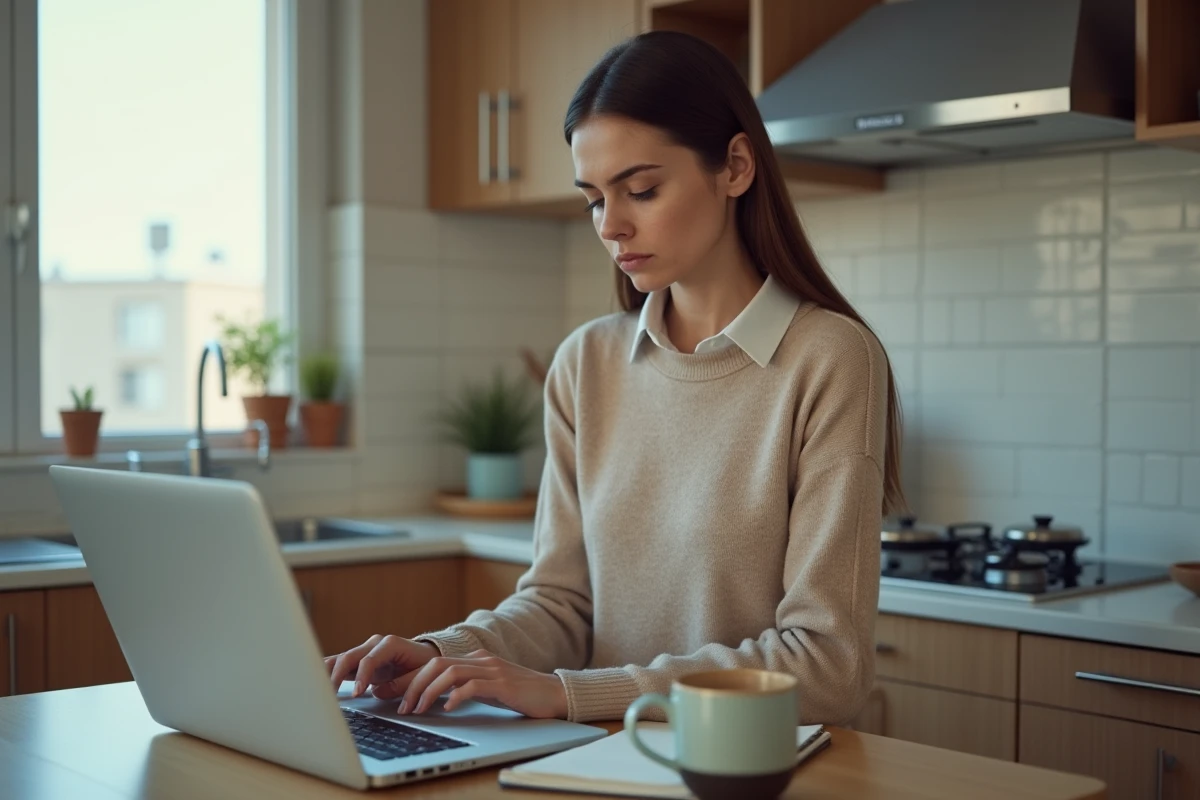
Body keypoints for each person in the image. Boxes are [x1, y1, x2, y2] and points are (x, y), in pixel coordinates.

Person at [326, 30, 905, 727]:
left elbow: (827, 667)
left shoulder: (831, 358)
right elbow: (562, 605)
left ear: (736, 167)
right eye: (595, 199)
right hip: (605, 758)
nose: (612, 226)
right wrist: (443, 653)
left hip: (754, 771)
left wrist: (572, 695)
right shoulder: (585, 364)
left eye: (642, 189)